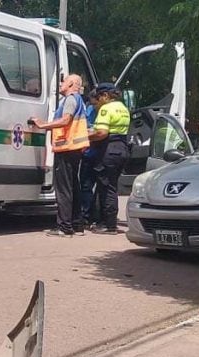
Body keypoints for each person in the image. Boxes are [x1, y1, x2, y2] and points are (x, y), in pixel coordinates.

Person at [29, 74, 89, 237]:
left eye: (64, 81)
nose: (61, 84)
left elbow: (65, 120)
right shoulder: (79, 100)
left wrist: (43, 125)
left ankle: (64, 227)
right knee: (73, 187)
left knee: (64, 189)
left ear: (71, 83)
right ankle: (77, 225)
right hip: (74, 148)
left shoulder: (70, 99)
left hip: (67, 148)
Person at [88, 83, 130, 234]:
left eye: (99, 97)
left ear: (106, 96)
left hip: (109, 149)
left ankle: (109, 225)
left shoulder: (106, 108)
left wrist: (84, 135)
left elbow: (101, 133)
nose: (97, 101)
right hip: (122, 148)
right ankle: (109, 222)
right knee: (112, 186)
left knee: (107, 187)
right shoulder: (123, 108)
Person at [80, 89, 102, 227]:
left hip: (95, 153)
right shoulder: (89, 109)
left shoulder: (103, 111)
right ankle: (88, 216)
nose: (93, 105)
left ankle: (90, 216)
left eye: (94, 102)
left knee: (90, 186)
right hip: (92, 152)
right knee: (88, 186)